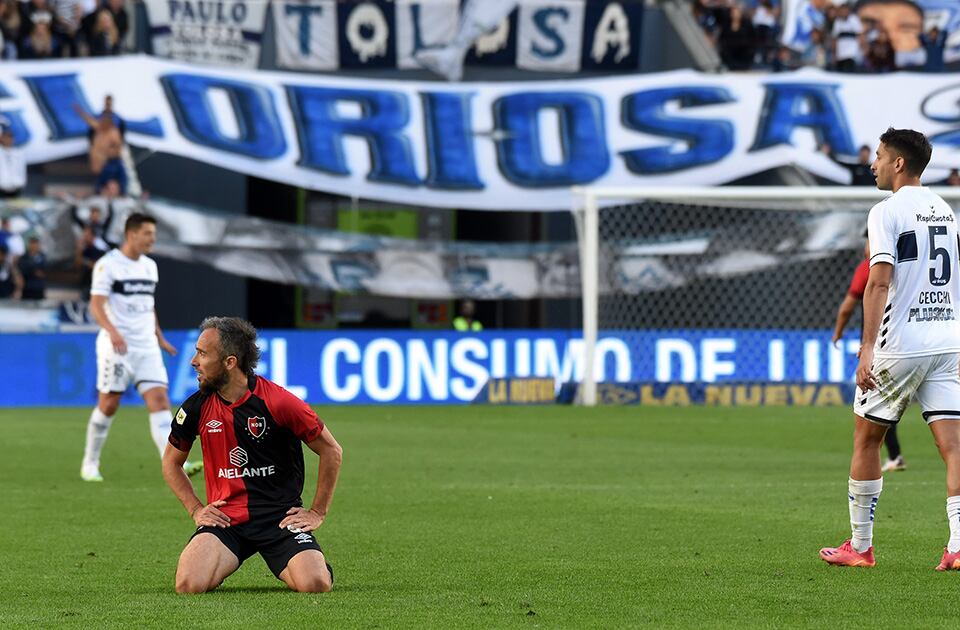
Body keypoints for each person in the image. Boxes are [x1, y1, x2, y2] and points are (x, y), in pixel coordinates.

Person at [819, 128, 960, 570]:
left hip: (901, 343)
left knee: (867, 439)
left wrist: (867, 348)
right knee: (953, 446)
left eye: (879, 155)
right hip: (948, 341)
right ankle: (958, 545)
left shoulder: (885, 211)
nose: (873, 163)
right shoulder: (945, 209)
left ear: (898, 163)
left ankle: (860, 547)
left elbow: (878, 282)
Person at [162, 316, 342, 594]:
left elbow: (331, 450)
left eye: (202, 354)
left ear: (230, 362)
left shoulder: (279, 401)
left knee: (315, 584)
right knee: (189, 585)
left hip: (279, 519)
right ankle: (219, 561)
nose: (193, 362)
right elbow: (171, 463)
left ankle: (312, 564)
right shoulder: (195, 407)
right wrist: (196, 509)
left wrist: (317, 512)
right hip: (226, 520)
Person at [79, 212, 201, 482]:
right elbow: (96, 305)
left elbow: (148, 305)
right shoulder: (108, 265)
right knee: (109, 404)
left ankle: (173, 464)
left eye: (153, 234)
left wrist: (159, 337)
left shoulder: (149, 266)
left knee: (160, 402)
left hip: (146, 345)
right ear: (131, 234)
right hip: (117, 347)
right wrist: (113, 333)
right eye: (147, 233)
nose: (152, 239)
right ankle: (90, 463)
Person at [832, 238, 905, 472]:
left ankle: (891, 455)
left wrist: (838, 332)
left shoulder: (869, 267)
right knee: (942, 416)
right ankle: (895, 455)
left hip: (884, 345)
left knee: (876, 403)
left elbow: (847, 306)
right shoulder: (909, 262)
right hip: (922, 343)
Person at [17, 235, 46, 300]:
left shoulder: (43, 256)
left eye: (36, 243)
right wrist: (34, 270)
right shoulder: (24, 257)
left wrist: (31, 268)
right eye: (32, 243)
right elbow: (22, 269)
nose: (34, 245)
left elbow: (43, 271)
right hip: (27, 287)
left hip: (39, 288)